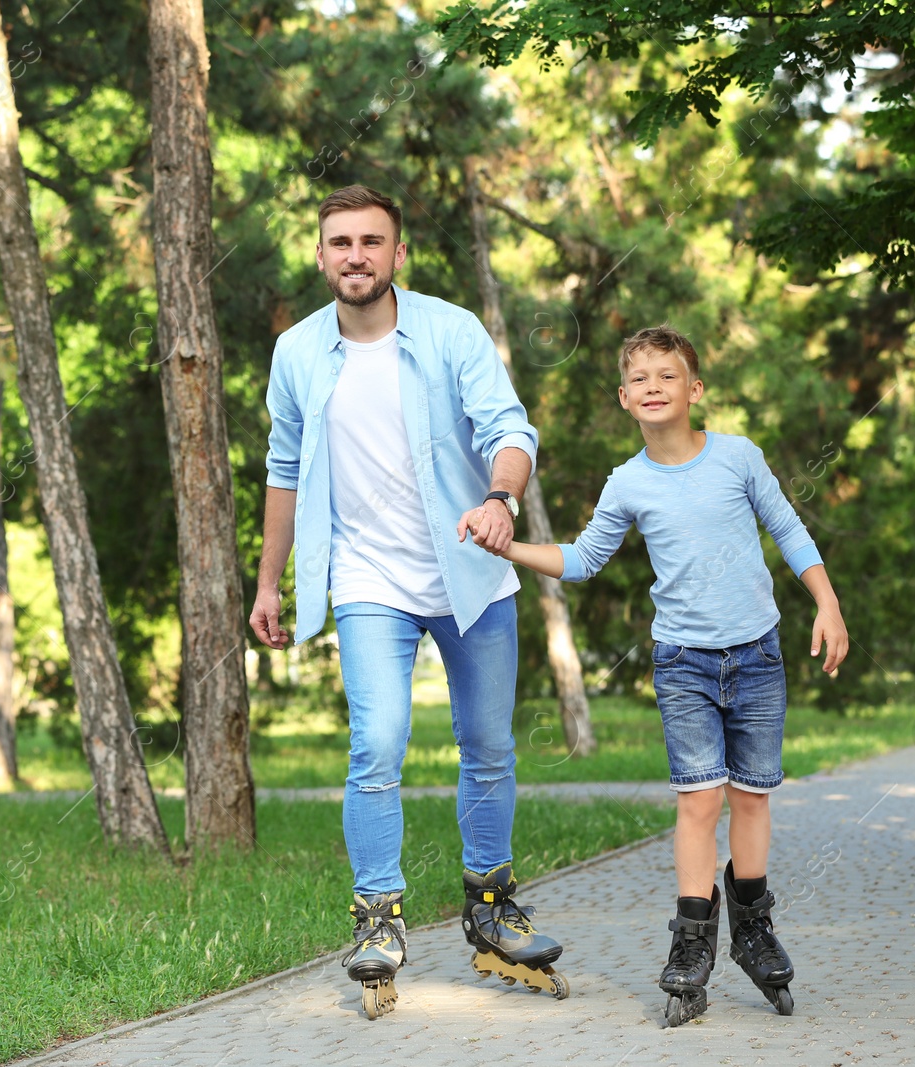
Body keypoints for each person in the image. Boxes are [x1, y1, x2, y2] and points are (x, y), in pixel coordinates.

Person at [249, 184, 568, 1019]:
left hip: (470, 570)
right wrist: (268, 579)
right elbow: (285, 470)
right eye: (339, 242)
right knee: (377, 745)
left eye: (371, 241)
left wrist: (500, 499)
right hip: (366, 580)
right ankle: (377, 918)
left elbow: (510, 428)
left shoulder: (450, 330)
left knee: (488, 742)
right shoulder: (296, 353)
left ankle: (492, 904)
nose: (355, 254)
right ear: (321, 256)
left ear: (397, 254)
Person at [496, 324, 849, 1027]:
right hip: (684, 662)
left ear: (695, 389)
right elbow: (584, 557)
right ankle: (693, 946)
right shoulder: (628, 482)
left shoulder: (738, 457)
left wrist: (827, 603)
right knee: (699, 801)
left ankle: (752, 925)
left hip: (757, 656)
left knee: (751, 798)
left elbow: (787, 527)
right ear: (625, 397)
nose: (655, 386)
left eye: (669, 374)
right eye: (642, 378)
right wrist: (510, 548)